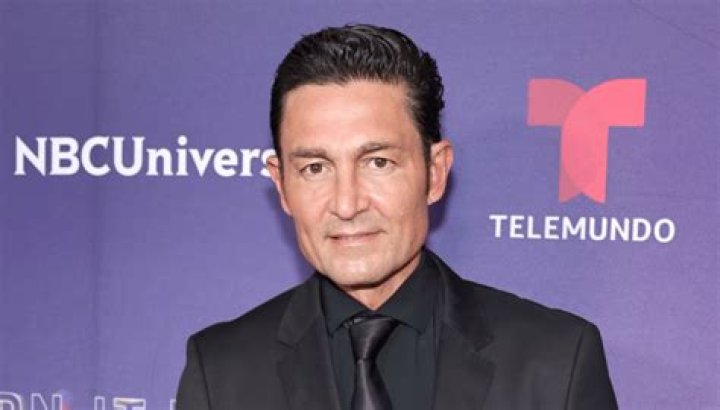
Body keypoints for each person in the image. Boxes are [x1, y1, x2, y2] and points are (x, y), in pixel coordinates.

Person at [176, 24, 618, 410]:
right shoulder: (221, 372)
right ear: (281, 184)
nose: (347, 204)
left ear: (435, 173)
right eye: (315, 168)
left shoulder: (556, 362)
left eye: (378, 162)